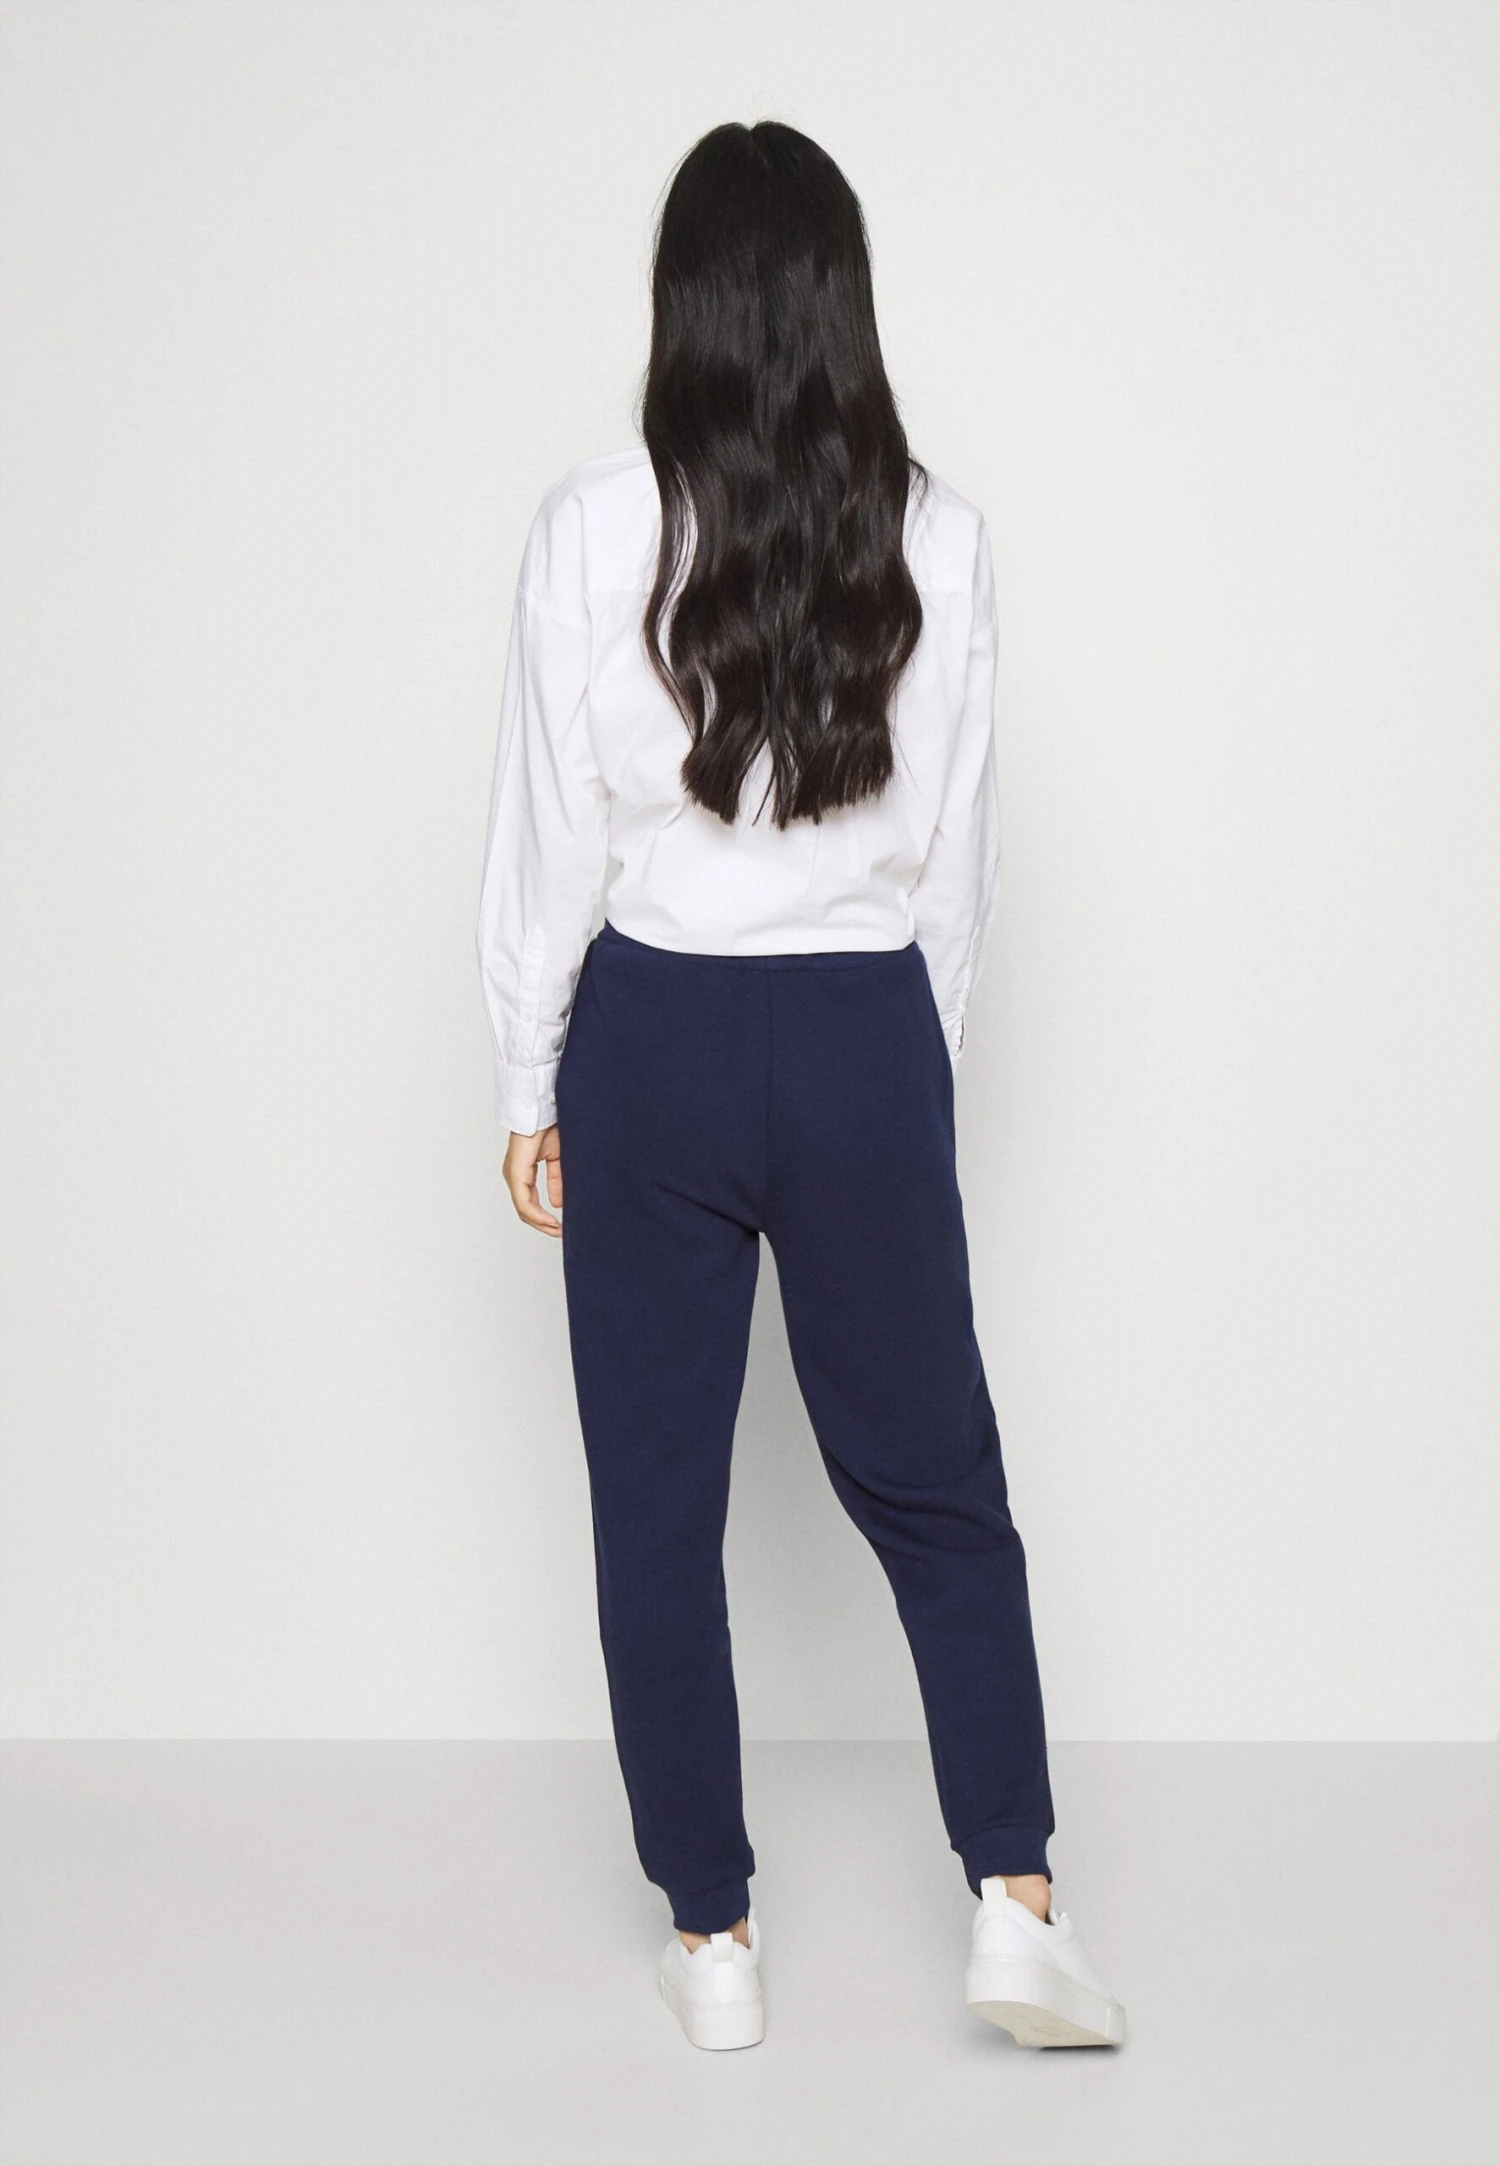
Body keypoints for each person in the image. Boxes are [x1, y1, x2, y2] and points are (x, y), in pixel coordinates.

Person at [475, 119, 1125, 2054]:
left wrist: (528, 1070)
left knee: (654, 1504)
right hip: (859, 1029)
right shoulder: (944, 534)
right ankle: (1015, 1900)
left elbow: (552, 835)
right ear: (847, 301)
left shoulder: (592, 524)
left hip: (653, 1039)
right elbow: (955, 869)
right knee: (939, 1487)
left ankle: (714, 1938)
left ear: (679, 301)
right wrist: (904, 1068)